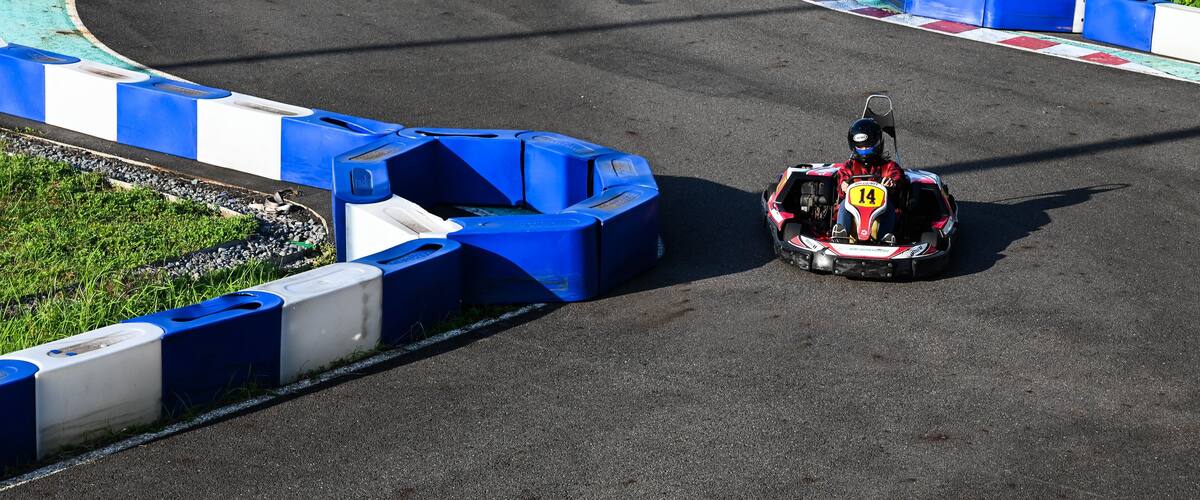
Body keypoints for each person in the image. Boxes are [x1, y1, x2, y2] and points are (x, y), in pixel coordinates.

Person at [830, 118, 903, 245]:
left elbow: (898, 178)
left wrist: (892, 183)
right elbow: (842, 180)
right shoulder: (849, 166)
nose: (864, 151)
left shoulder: (889, 166)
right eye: (860, 147)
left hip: (880, 211)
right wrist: (844, 185)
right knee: (844, 205)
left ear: (877, 144)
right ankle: (842, 235)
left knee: (890, 208)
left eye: (868, 147)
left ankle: (884, 238)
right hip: (853, 211)